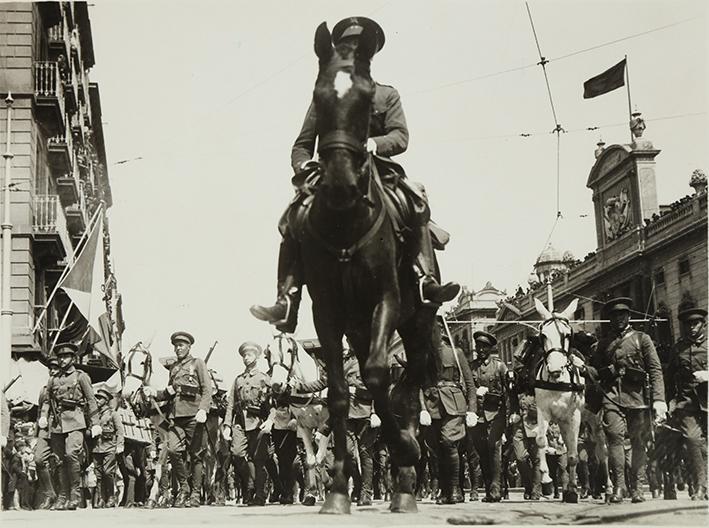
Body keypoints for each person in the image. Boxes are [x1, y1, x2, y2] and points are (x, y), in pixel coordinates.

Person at [250, 16, 459, 333]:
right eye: (347, 47)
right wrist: (305, 167)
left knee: (415, 200)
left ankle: (424, 279)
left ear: (371, 55)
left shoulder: (386, 95)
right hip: (329, 172)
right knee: (292, 217)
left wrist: (374, 143)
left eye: (361, 48)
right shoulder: (326, 95)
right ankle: (287, 299)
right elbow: (302, 145)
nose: (353, 53)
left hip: (375, 169)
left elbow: (400, 136)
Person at [588, 297, 667, 503]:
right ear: (610, 319)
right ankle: (619, 487)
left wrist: (659, 399)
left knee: (638, 442)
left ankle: (638, 488)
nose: (619, 319)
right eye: (614, 316)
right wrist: (584, 367)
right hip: (612, 397)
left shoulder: (642, 339)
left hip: (638, 398)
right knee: (614, 438)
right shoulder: (603, 344)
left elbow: (655, 370)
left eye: (622, 315)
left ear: (629, 316)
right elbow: (596, 372)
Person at [143, 332, 212, 508]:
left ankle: (195, 494)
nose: (178, 348)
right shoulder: (174, 368)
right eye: (176, 345)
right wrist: (155, 393)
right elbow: (170, 392)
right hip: (176, 417)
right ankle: (184, 487)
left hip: (194, 416)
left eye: (182, 345)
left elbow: (206, 389)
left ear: (189, 347)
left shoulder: (198, 363)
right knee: (173, 451)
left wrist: (203, 409)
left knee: (196, 456)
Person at [420, 320, 477, 504]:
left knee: (448, 443)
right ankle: (447, 491)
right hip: (433, 405)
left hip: (454, 404)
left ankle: (453, 489)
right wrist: (423, 409)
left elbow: (469, 384)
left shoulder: (456, 352)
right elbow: (420, 385)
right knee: (437, 450)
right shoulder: (425, 356)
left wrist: (472, 410)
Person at [39, 343, 101, 510]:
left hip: (76, 420)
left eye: (66, 356)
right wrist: (43, 416)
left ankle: (75, 495)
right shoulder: (53, 379)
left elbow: (91, 400)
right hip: (58, 423)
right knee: (58, 460)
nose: (62, 359)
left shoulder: (81, 377)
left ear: (73, 358)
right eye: (60, 357)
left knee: (71, 454)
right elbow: (47, 401)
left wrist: (96, 423)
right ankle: (62, 496)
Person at [222, 342, 273, 506]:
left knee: (258, 459)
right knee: (237, 454)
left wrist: (271, 420)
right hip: (240, 423)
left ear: (257, 357)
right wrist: (227, 426)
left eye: (250, 354)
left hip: (258, 422)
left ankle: (259, 493)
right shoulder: (238, 380)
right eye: (244, 355)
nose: (246, 357)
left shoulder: (264, 378)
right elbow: (231, 404)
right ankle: (251, 485)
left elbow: (273, 404)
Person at [666, 307, 707, 501]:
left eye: (696, 323)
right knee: (692, 440)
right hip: (688, 402)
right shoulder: (678, 348)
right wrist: (667, 401)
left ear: (703, 324)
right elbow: (669, 376)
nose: (692, 327)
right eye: (688, 324)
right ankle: (700, 485)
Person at [469, 331, 515, 502]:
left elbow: (509, 392)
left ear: (490, 348)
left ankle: (496, 488)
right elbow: (466, 387)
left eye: (484, 347)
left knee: (494, 448)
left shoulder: (499, 366)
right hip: (478, 416)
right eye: (478, 346)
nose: (480, 350)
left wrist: (511, 413)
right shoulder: (471, 367)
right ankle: (489, 488)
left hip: (496, 413)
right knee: (481, 452)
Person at [34, 355, 61, 509]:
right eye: (50, 368)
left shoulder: (67, 385)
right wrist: (36, 432)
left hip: (61, 428)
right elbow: (40, 411)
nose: (52, 371)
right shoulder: (44, 390)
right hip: (45, 430)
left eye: (55, 368)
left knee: (61, 463)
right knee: (39, 459)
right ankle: (50, 494)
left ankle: (62, 496)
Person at [92, 387, 124, 508]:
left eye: (100, 398)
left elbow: (119, 431)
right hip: (96, 448)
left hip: (109, 447)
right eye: (97, 397)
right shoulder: (94, 415)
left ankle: (110, 497)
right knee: (98, 474)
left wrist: (120, 445)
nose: (97, 400)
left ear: (106, 400)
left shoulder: (113, 414)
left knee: (108, 472)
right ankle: (101, 498)